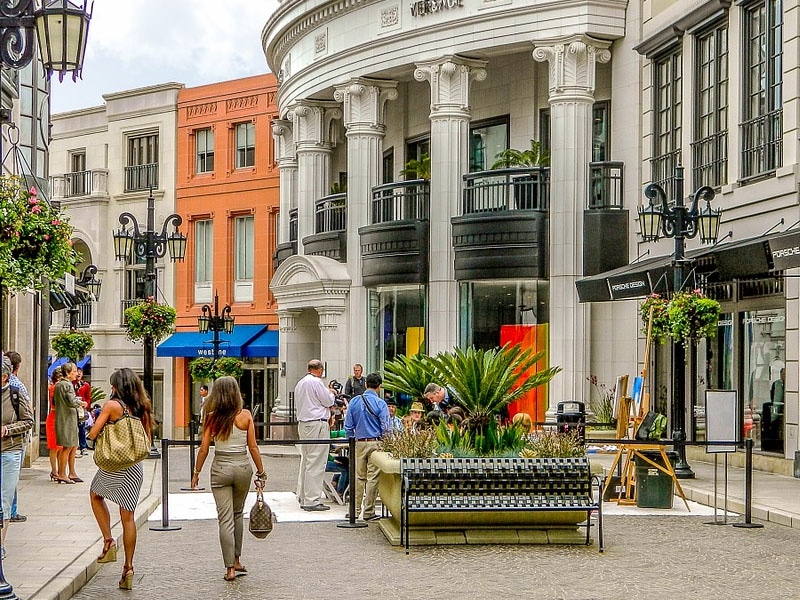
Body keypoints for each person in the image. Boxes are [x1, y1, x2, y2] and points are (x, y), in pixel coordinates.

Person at [191, 377, 267, 582]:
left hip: (220, 468)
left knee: (224, 519)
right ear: (236, 393)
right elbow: (253, 447)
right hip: (242, 467)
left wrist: (196, 473)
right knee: (237, 513)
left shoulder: (212, 417)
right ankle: (237, 559)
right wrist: (261, 472)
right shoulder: (246, 416)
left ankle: (229, 569)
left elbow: (204, 448)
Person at [87, 368, 154, 590]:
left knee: (96, 495)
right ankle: (128, 567)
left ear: (116, 386)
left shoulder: (111, 406)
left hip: (114, 464)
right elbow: (147, 438)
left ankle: (108, 540)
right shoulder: (142, 406)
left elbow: (93, 433)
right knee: (128, 517)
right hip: (134, 466)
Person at [344, 372, 391, 521]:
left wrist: (351, 440)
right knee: (373, 478)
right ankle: (368, 511)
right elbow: (386, 427)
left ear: (365, 384)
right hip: (375, 442)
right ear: (379, 386)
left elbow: (348, 426)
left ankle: (354, 510)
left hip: (358, 442)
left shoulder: (354, 402)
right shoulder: (380, 403)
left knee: (358, 477)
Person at [1, 355, 34, 560]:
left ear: (4, 377)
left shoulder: (15, 393)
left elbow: (28, 421)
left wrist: (7, 429)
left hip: (10, 451)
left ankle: (0, 544)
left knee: (3, 501)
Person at [294, 359, 335, 511]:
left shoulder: (300, 383)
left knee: (307, 460)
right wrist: (331, 392)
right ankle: (312, 500)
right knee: (316, 462)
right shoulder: (316, 382)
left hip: (304, 424)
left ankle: (304, 497)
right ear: (320, 369)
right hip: (317, 424)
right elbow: (327, 400)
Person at [5, 351, 31, 523]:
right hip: (14, 443)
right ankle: (11, 511)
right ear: (18, 366)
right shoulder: (18, 387)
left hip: (10, 442)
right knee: (11, 479)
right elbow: (29, 415)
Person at [53, 362, 84, 484]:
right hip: (67, 418)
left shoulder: (60, 385)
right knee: (67, 447)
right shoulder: (66, 385)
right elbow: (71, 401)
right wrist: (80, 403)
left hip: (64, 417)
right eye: (74, 371)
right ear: (68, 373)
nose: (76, 373)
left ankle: (69, 473)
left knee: (71, 445)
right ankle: (62, 474)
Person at [46, 370, 63, 481]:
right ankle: (54, 470)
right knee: (54, 447)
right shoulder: (54, 388)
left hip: (59, 418)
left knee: (60, 447)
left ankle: (58, 470)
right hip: (54, 417)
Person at [74, 368, 92, 456]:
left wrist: (86, 405)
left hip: (81, 409)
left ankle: (83, 447)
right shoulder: (71, 384)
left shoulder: (85, 385)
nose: (78, 374)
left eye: (80, 372)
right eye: (77, 372)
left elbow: (88, 397)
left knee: (82, 428)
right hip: (73, 409)